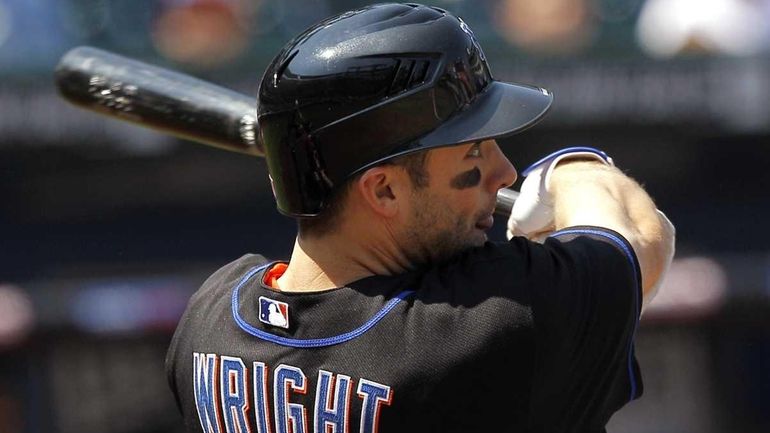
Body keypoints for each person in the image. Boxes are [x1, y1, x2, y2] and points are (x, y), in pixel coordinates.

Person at [165, 3, 675, 433]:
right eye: (474, 152)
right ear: (384, 189)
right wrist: (574, 170)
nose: (504, 172)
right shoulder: (487, 324)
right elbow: (641, 239)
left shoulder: (209, 322)